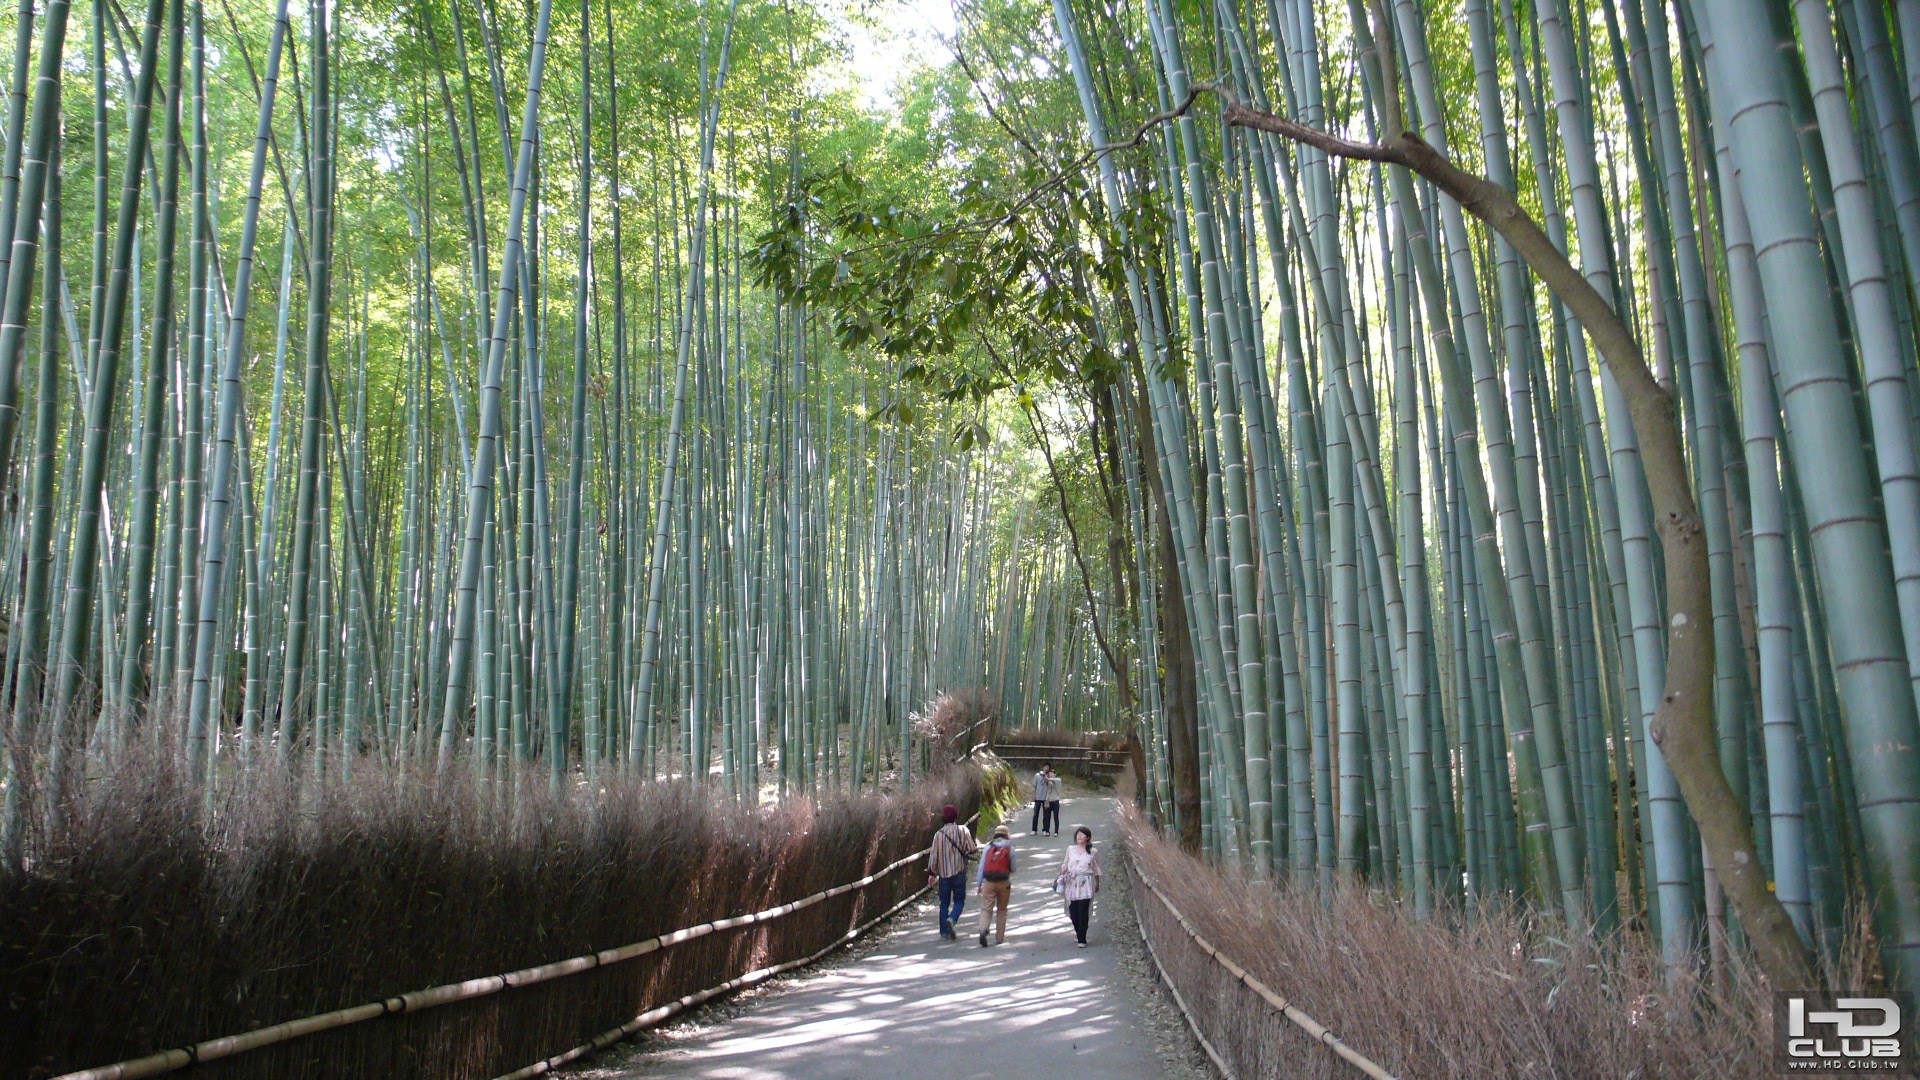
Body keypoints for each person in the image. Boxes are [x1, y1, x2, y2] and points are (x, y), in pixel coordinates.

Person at [927, 804, 977, 940]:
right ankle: (953, 919)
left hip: (944, 875)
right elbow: (972, 848)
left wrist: (932, 874)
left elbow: (934, 856)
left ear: (943, 818)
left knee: (944, 903)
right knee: (959, 901)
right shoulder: (962, 830)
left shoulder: (938, 835)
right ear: (956, 816)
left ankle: (944, 932)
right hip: (959, 872)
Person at [1054, 825, 1102, 947]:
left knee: (1083, 910)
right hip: (1072, 882)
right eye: (1078, 834)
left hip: (1086, 882)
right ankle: (1078, 931)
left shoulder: (1093, 851)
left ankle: (1082, 938)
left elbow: (1096, 868)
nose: (1079, 836)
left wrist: (1097, 883)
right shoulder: (1070, 849)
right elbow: (1065, 863)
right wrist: (1062, 873)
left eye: (1082, 834)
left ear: (1088, 838)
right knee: (1073, 911)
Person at [977, 823, 1016, 947]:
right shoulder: (1010, 848)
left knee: (986, 908)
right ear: (1006, 835)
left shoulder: (988, 847)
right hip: (1004, 882)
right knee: (1002, 910)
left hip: (989, 881)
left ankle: (983, 929)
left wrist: (979, 884)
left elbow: (982, 867)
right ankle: (999, 937)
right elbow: (1013, 868)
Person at [1031, 764, 1061, 836]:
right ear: (1043, 767)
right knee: (1035, 814)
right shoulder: (1037, 775)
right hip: (1038, 798)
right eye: (1045, 767)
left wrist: (1047, 779)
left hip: (1046, 799)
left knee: (1047, 816)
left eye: (1048, 768)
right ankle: (1034, 829)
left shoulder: (1055, 780)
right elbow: (1034, 786)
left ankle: (1046, 830)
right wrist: (1033, 795)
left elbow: (1052, 784)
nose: (1046, 769)